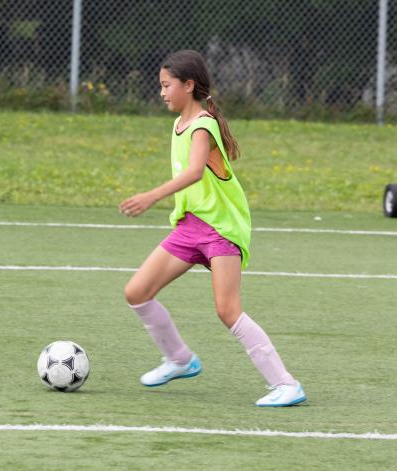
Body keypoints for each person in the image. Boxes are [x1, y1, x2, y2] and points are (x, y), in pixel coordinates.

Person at [119, 50, 305, 407]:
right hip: (191, 226)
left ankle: (286, 384)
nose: (161, 92)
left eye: (166, 85)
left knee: (227, 310)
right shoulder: (178, 124)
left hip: (220, 228)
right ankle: (179, 359)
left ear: (188, 86)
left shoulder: (204, 124)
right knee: (137, 291)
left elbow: (194, 171)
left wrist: (151, 196)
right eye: (160, 85)